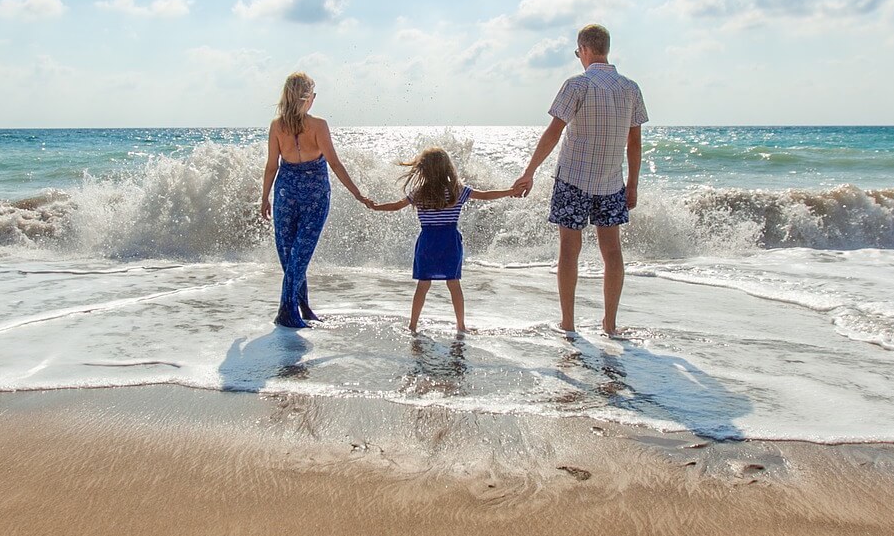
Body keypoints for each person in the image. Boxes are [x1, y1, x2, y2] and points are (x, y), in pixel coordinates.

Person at [511, 24, 648, 337]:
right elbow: (635, 143)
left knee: (569, 252)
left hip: (573, 179)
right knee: (612, 252)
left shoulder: (577, 85)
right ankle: (609, 324)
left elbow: (553, 132)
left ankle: (569, 323)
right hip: (612, 182)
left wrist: (529, 171)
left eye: (577, 52)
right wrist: (634, 184)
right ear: (606, 49)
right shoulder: (630, 88)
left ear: (584, 49)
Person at [259, 72, 370, 328]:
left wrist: (265, 197)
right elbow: (334, 163)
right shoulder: (318, 125)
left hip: (286, 192)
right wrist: (357, 193)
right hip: (315, 195)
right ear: (309, 98)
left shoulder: (277, 125)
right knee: (297, 255)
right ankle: (287, 311)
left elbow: (271, 167)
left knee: (292, 255)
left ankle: (302, 307)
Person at [367, 147, 515, 332]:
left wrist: (376, 207)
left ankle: (413, 325)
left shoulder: (419, 192)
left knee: (423, 285)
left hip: (428, 242)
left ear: (423, 169)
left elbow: (397, 206)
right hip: (449, 242)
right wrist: (510, 191)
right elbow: (485, 195)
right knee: (453, 284)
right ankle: (461, 326)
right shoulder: (457, 191)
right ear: (447, 168)